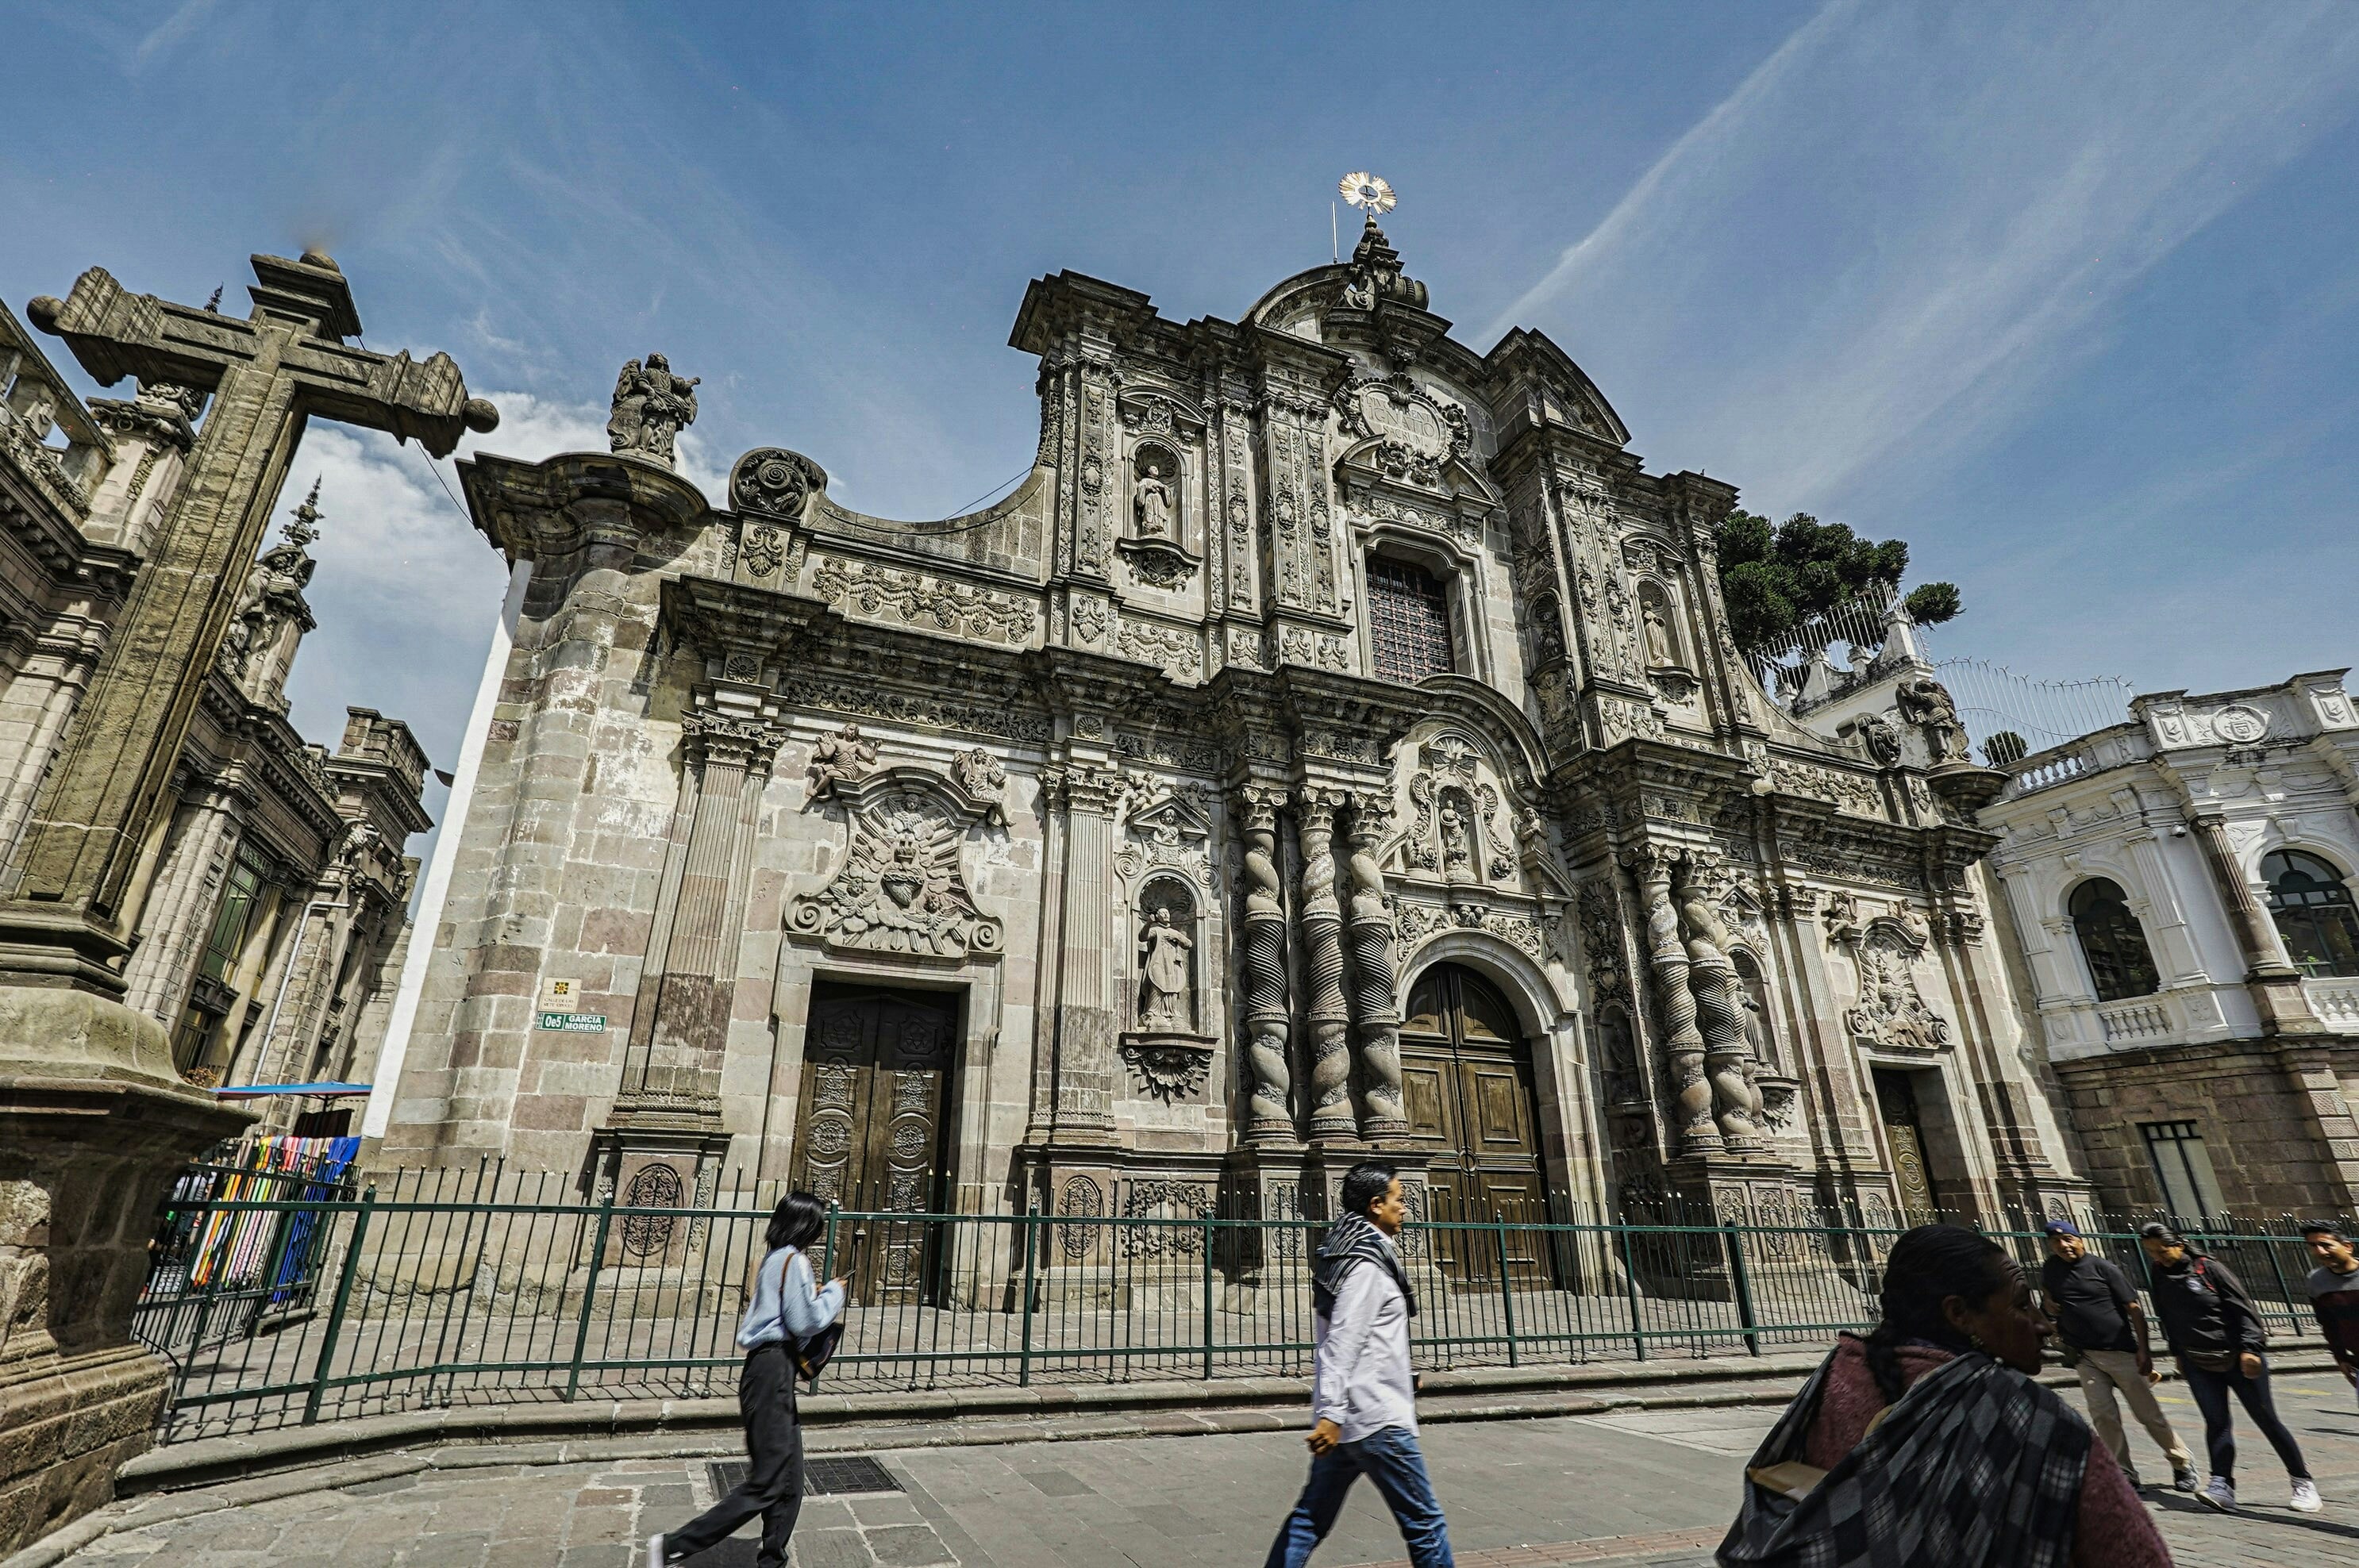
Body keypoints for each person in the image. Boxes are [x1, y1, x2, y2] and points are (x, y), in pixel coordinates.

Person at [1720, 1224, 2168, 1568]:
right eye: (2020, 1303)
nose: (2043, 1323)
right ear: (1959, 1314)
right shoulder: (2032, 1422)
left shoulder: (1837, 1374)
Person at [1264, 1160, 1452, 1568]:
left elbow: (1366, 1339)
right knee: (1426, 1523)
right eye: (1398, 1200)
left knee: (1310, 1519)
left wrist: (1403, 1374)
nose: (1404, 1208)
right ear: (1374, 1205)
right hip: (1376, 1420)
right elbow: (1341, 1342)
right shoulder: (1366, 1264)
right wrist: (1330, 1414)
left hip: (1352, 1421)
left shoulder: (1351, 1251)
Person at [646, 1191, 848, 1567]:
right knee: (768, 1482)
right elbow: (806, 1322)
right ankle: (674, 1545)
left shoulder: (774, 1259)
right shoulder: (794, 1259)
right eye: (818, 1225)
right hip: (772, 1370)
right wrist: (833, 1294)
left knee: (789, 1478)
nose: (821, 1233)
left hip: (771, 1369)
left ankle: (772, 1559)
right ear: (806, 1226)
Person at [2137, 1220, 2318, 1514]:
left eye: (2163, 1250)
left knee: (2266, 1419)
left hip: (2236, 1356)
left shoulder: (2209, 1268)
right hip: (2198, 1360)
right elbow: (2166, 1314)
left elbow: (2244, 1309)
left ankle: (2302, 1481)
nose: (2159, 1257)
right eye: (2152, 1252)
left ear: (2179, 1245)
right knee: (2217, 1422)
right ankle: (2222, 1486)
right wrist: (2177, 1352)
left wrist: (2251, 1348)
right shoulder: (2159, 1273)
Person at [2037, 1220, 2194, 1492]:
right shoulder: (2051, 1268)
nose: (2063, 1246)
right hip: (2085, 1355)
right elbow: (2048, 1295)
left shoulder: (2103, 1268)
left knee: (2148, 1414)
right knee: (2102, 1414)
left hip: (2121, 1353)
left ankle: (2181, 1463)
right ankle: (2125, 1472)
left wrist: (2144, 1350)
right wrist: (2047, 1303)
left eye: (2068, 1240)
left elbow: (2134, 1309)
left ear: (2080, 1239)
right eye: (2056, 1242)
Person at [2303, 1220, 2359, 1412]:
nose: (2320, 1252)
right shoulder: (2316, 1281)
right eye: (2313, 1246)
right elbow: (2328, 1323)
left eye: (2326, 1245)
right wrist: (2340, 1357)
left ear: (2348, 1247)